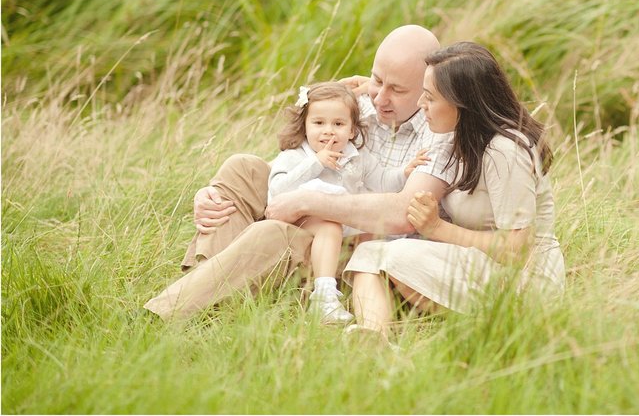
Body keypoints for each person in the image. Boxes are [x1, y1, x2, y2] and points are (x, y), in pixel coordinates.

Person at [144, 25, 452, 319]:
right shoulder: (363, 103)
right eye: (376, 79)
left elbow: (404, 213)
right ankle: (208, 287)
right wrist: (207, 195)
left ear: (427, 90)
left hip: (348, 244)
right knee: (241, 169)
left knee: (272, 233)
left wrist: (308, 202)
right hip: (322, 206)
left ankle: (166, 312)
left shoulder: (438, 128)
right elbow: (299, 157)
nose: (380, 97)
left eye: (397, 90)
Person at [341, 42, 565, 342]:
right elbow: (414, 103)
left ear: (463, 104)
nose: (421, 104)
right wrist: (372, 86)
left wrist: (437, 228)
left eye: (430, 97)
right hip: (479, 264)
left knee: (383, 254)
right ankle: (373, 337)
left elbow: (517, 250)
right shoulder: (461, 134)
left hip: (524, 281)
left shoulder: (504, 152)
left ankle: (386, 333)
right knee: (369, 253)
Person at [267, 81, 428, 324]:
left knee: (371, 233)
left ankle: (364, 298)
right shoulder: (294, 156)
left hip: (341, 226)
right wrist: (316, 164)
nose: (328, 131)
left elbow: (382, 180)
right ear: (305, 125)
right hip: (299, 223)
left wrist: (404, 172)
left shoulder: (357, 157)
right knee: (330, 226)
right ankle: (323, 298)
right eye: (319, 123)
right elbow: (278, 190)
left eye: (339, 124)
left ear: (352, 130)